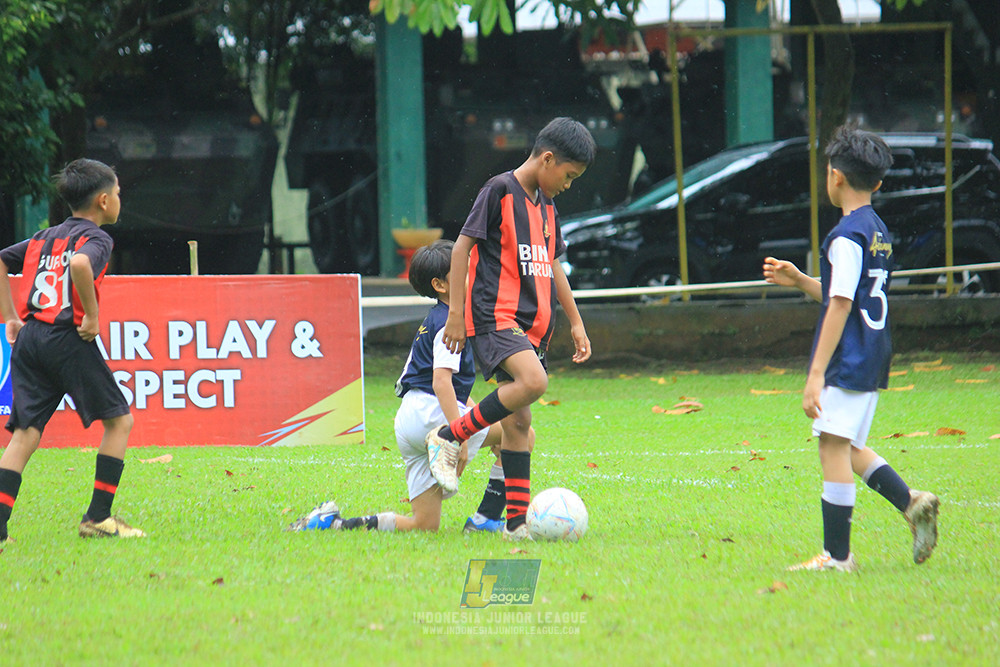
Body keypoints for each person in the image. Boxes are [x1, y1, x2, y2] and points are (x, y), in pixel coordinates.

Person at [763, 125, 939, 572]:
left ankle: (837, 557)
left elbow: (841, 303)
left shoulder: (845, 235)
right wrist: (802, 281)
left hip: (850, 355)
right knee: (847, 444)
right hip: (873, 351)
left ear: (835, 176)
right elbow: (848, 293)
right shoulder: (875, 229)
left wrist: (815, 373)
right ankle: (911, 501)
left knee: (831, 445)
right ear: (876, 182)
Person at [287, 240, 532, 533]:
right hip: (433, 417)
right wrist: (460, 434)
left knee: (424, 524)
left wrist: (473, 413)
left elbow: (450, 386)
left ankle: (335, 524)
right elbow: (441, 382)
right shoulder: (450, 323)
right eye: (464, 271)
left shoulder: (436, 317)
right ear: (440, 285)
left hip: (409, 420)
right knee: (521, 432)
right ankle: (486, 519)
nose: (473, 275)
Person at [426, 117, 595, 541]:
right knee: (534, 382)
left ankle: (516, 525)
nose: (568, 185)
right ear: (548, 158)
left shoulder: (548, 208)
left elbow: (553, 266)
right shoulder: (499, 190)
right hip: (496, 316)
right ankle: (449, 435)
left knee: (519, 424)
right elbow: (462, 248)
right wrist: (456, 314)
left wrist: (576, 321)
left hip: (533, 329)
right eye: (569, 176)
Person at [0, 158, 145, 541]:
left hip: (31, 338)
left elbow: (1, 259)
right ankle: (98, 518)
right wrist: (91, 317)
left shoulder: (44, 237)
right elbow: (80, 264)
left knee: (25, 434)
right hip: (67, 338)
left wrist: (10, 317)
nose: (119, 199)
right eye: (117, 193)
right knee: (119, 422)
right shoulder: (97, 240)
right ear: (103, 201)